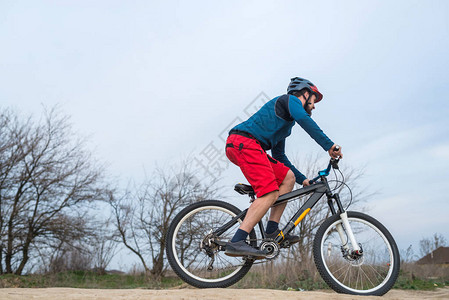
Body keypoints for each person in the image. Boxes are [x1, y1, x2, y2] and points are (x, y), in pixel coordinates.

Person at [224, 77, 343, 258]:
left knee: (288, 177)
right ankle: (237, 240)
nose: (314, 105)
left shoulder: (285, 124)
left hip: (248, 146)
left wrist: (303, 179)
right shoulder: (289, 101)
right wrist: (329, 145)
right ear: (305, 93)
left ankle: (272, 231)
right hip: (244, 142)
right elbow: (304, 119)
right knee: (270, 192)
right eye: (314, 99)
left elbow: (279, 157)